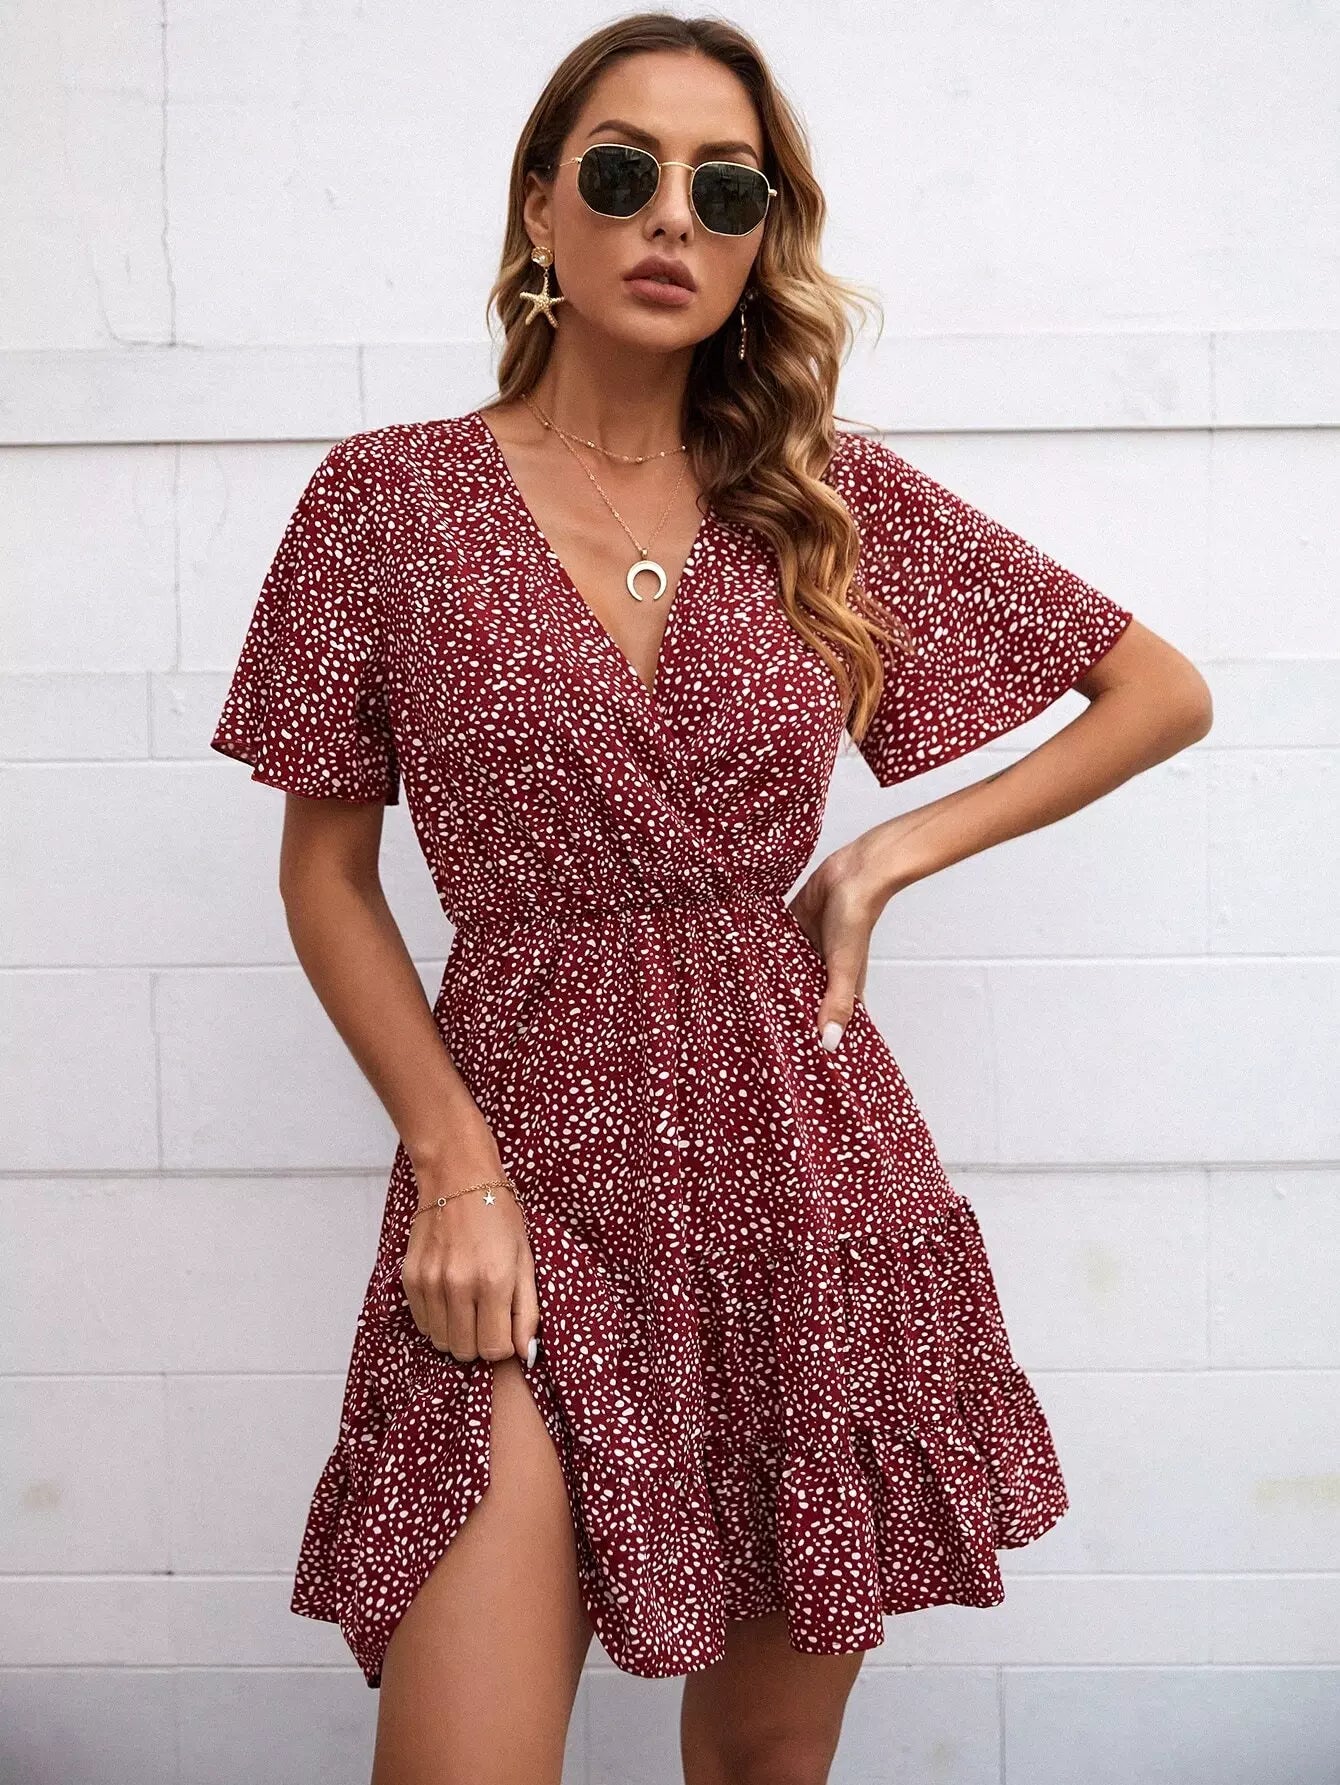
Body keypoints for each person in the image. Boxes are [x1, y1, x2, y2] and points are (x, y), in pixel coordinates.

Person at [209, 14, 1211, 1785]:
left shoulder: (816, 497)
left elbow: (1158, 691)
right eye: (623, 172)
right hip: (522, 1170)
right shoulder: (388, 499)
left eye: (725, 188)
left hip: (798, 1181)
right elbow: (327, 872)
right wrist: (454, 1163)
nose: (672, 214)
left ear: (761, 241)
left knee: (761, 1765)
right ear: (541, 209)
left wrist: (885, 853)